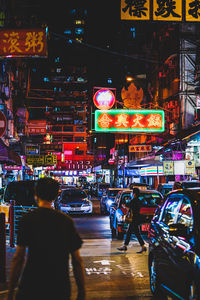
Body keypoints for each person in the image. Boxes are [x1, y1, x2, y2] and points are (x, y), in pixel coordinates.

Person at [5, 177, 85, 300]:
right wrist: (81, 290)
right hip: (59, 286)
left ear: (36, 194)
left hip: (31, 285)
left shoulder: (27, 220)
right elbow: (77, 260)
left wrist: (11, 291)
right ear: (55, 196)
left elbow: (18, 258)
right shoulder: (66, 221)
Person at [117, 187, 147, 253]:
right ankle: (126, 246)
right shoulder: (139, 201)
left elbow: (129, 207)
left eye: (132, 193)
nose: (132, 194)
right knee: (130, 232)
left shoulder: (133, 201)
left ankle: (142, 246)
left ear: (134, 194)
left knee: (135, 233)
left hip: (134, 219)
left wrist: (124, 206)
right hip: (137, 218)